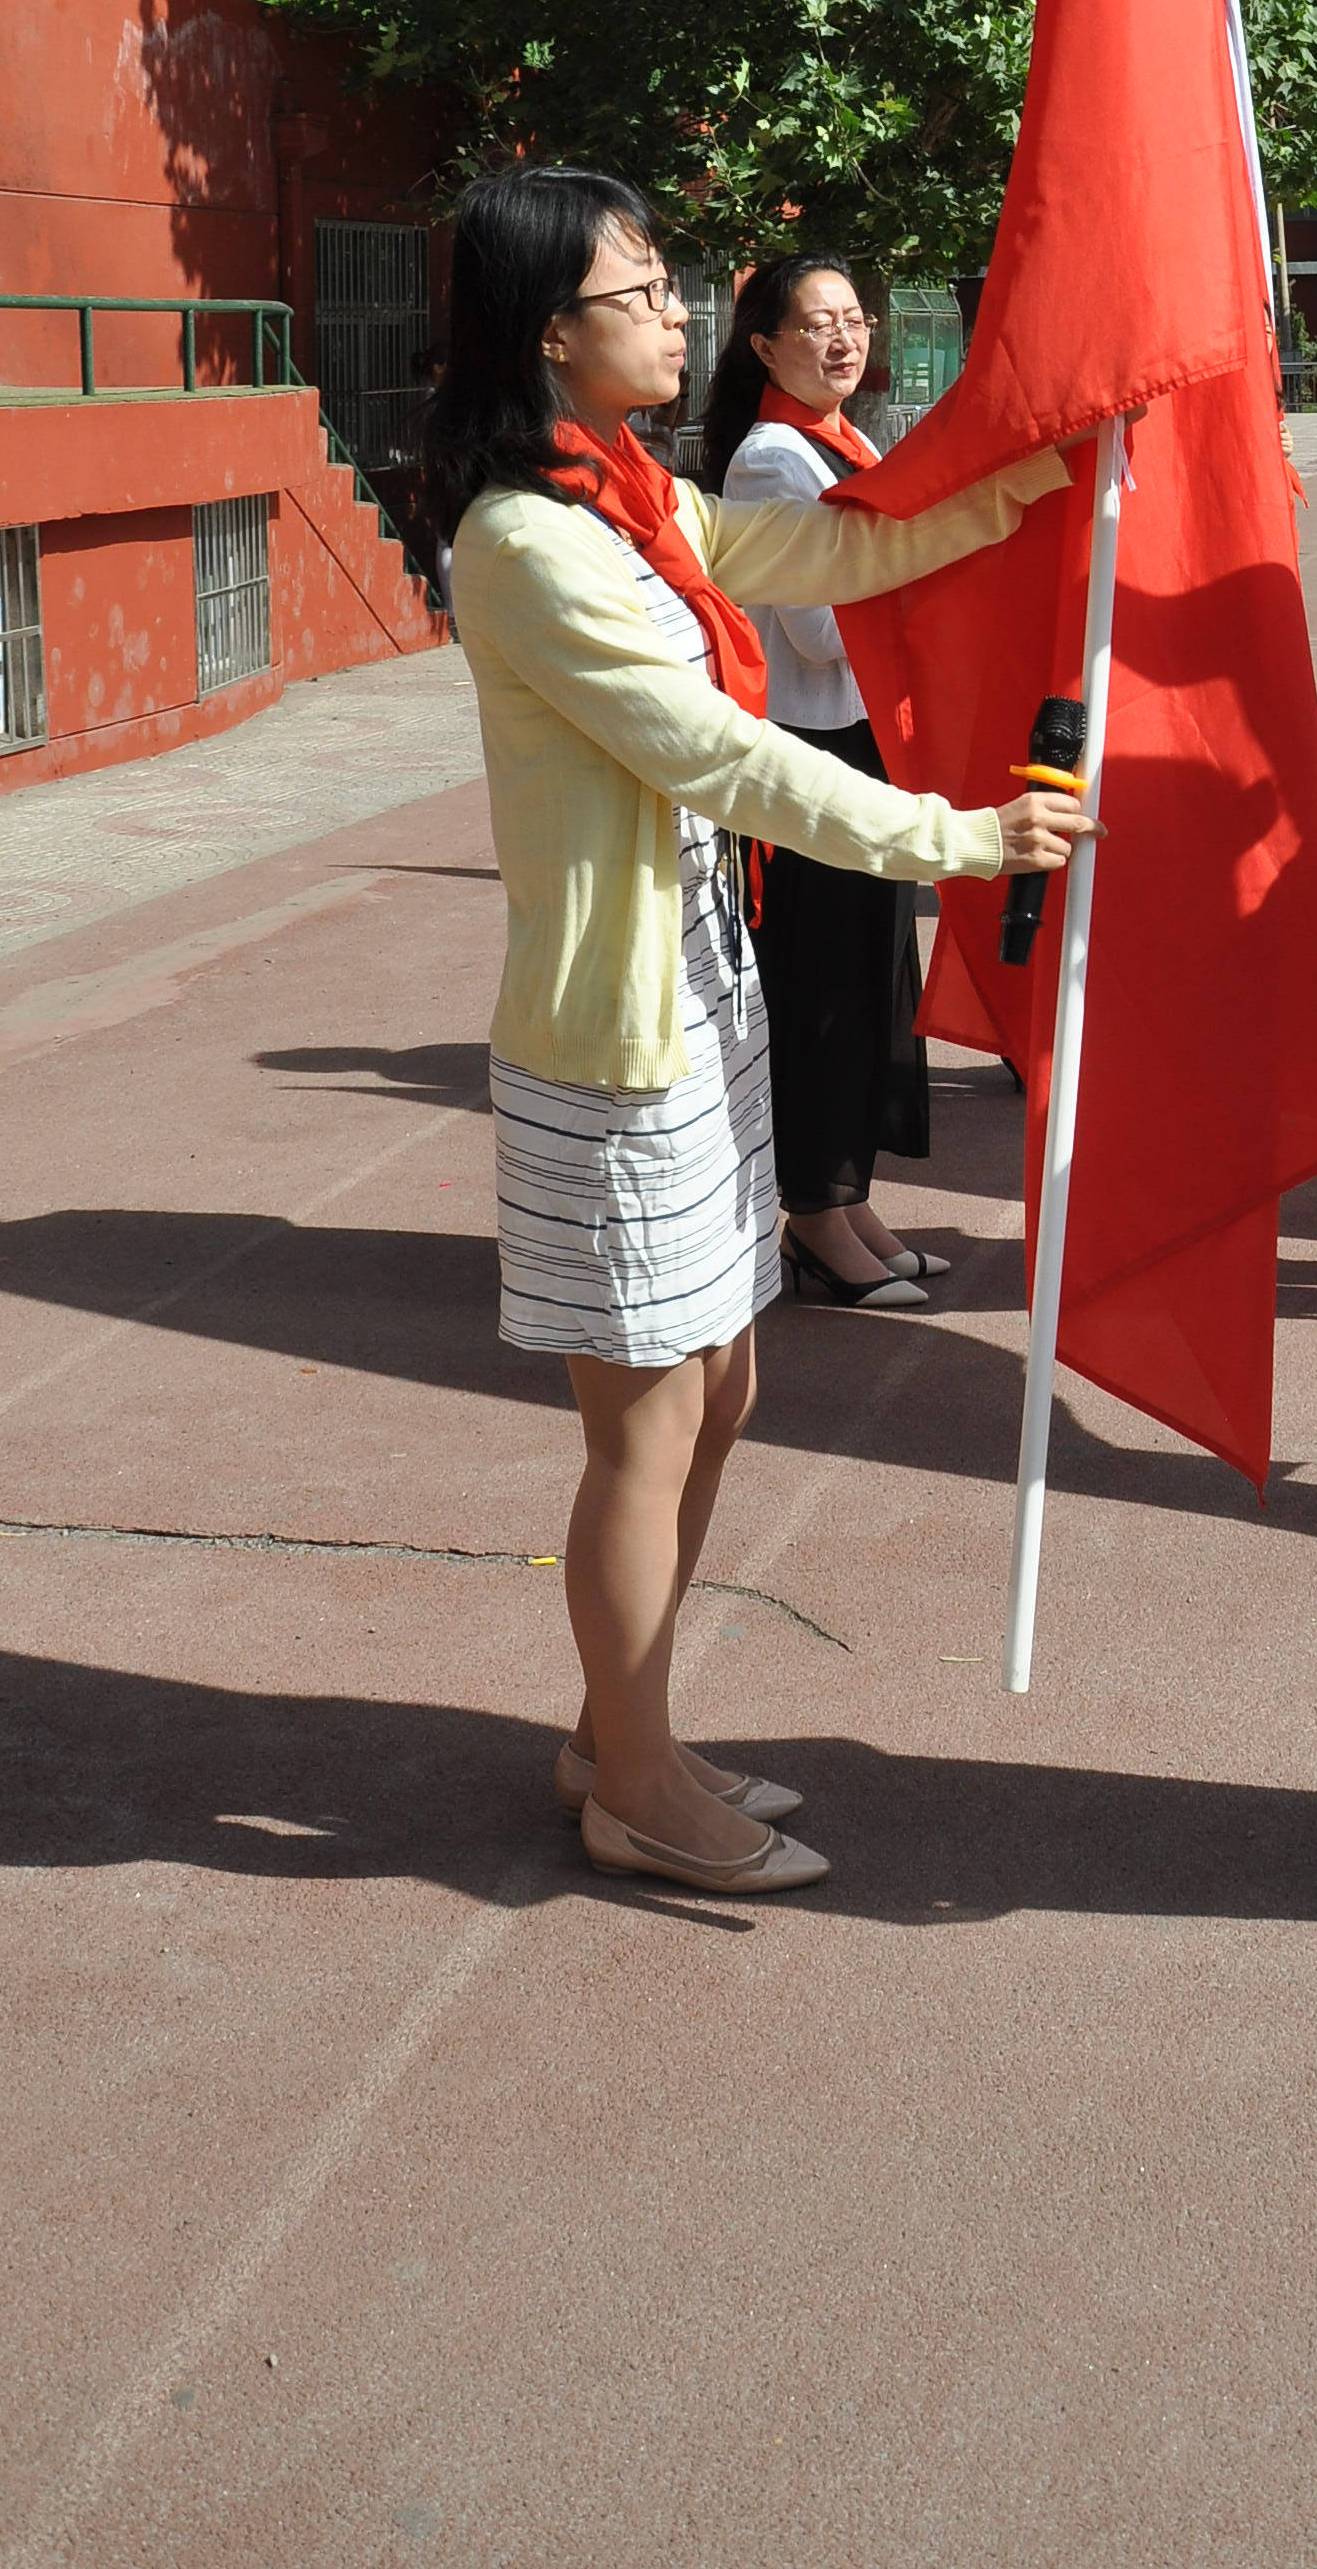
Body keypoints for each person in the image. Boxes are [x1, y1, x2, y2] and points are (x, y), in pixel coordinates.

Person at [424, 166, 1088, 1901]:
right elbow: (717, 756)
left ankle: (618, 1724)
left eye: (662, 282)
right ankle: (634, 1777)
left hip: (695, 992)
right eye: (637, 290)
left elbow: (824, 548)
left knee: (721, 1380)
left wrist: (1034, 479)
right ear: (546, 333)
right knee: (648, 1416)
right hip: (611, 1034)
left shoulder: (635, 497)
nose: (671, 313)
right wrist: (954, 832)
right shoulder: (525, 539)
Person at [698, 253, 945, 1310]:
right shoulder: (771, 461)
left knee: (873, 982)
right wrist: (922, 592)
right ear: (764, 346)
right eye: (816, 325)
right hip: (808, 756)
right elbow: (816, 624)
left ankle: (847, 1203)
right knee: (822, 991)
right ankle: (810, 1213)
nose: (843, 340)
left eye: (854, 320)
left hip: (862, 741)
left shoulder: (849, 442)